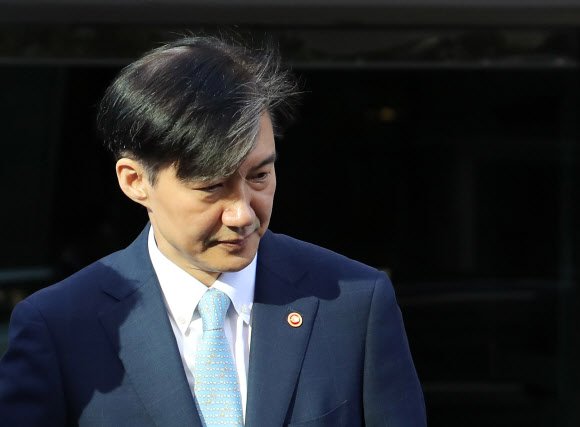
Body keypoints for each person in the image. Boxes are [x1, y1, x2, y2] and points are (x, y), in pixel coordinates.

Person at [0, 35, 426, 426]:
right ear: (135, 181)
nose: (242, 214)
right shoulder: (60, 326)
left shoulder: (353, 303)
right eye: (211, 187)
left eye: (259, 176)